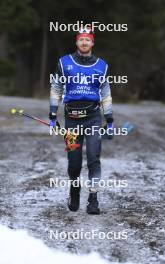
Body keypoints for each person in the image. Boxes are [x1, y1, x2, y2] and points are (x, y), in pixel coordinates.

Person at [49, 26, 113, 214]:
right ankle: (74, 190)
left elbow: (106, 94)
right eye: (81, 39)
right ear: (77, 42)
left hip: (93, 119)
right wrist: (53, 115)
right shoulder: (64, 62)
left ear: (92, 42)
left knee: (94, 158)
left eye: (88, 39)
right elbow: (56, 89)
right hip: (71, 120)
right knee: (74, 162)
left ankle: (93, 199)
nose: (84, 42)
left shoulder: (102, 65)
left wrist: (109, 120)